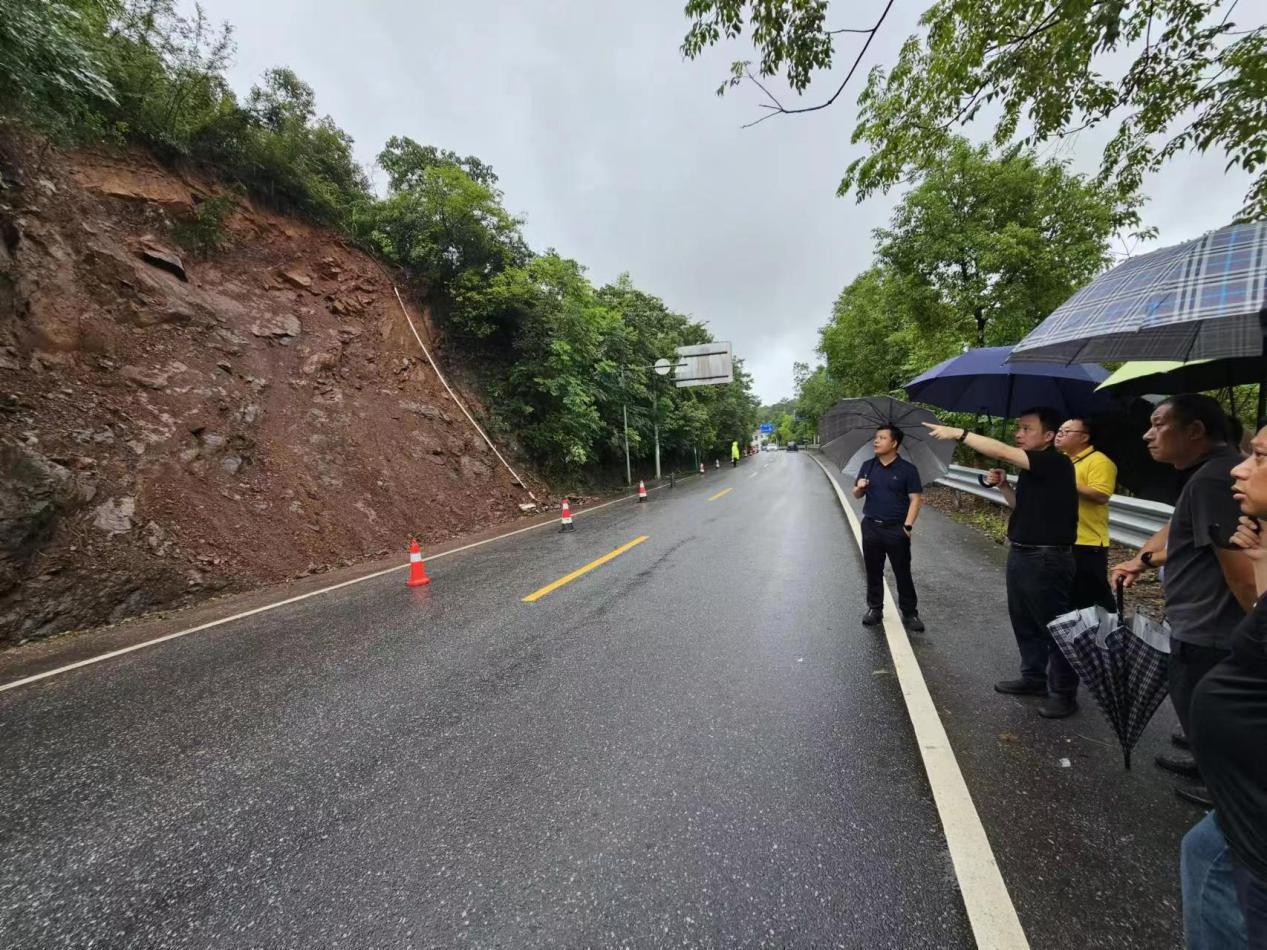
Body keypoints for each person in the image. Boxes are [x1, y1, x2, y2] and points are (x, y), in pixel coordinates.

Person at [1111, 394, 1255, 807]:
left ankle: (1225, 791)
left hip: (1211, 626)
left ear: (1195, 431)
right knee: (1198, 708)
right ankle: (1206, 764)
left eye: (1159, 424)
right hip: (1201, 620)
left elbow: (1239, 570)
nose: (1147, 434)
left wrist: (1258, 627)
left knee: (1207, 708)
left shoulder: (1216, 478)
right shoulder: (1208, 475)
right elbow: (1181, 529)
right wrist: (1140, 560)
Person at [925, 407, 1080, 718]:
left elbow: (1003, 452)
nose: (1018, 434)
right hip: (1022, 552)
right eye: (1018, 428)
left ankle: (1064, 693)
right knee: (1024, 621)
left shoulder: (1055, 462)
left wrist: (960, 433)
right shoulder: (1032, 469)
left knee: (1053, 627)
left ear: (1049, 436)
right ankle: (1033, 677)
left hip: (1046, 557)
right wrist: (1005, 487)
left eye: (1027, 429)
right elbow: (1020, 507)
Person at [1181, 424, 1267, 948]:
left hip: (1257, 836)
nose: (1240, 468)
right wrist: (1261, 562)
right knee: (1203, 848)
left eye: (1259, 457)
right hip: (1240, 814)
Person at [851, 424, 925, 632]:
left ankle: (910, 613)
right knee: (873, 570)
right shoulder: (868, 466)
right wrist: (859, 487)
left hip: (896, 529)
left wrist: (907, 526)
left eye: (882, 438)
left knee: (902, 572)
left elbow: (916, 499)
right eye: (876, 437)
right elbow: (856, 494)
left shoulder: (908, 470)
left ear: (894, 443)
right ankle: (875, 609)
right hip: (871, 526)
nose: (876, 441)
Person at [1054, 417, 1117, 612]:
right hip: (1064, 539)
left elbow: (1101, 495)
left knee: (1091, 600)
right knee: (1067, 597)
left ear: (1084, 437)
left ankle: (1111, 627)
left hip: (1088, 543)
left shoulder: (1099, 461)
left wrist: (1066, 481)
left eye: (1066, 431)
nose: (1059, 434)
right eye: (1059, 430)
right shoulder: (1065, 461)